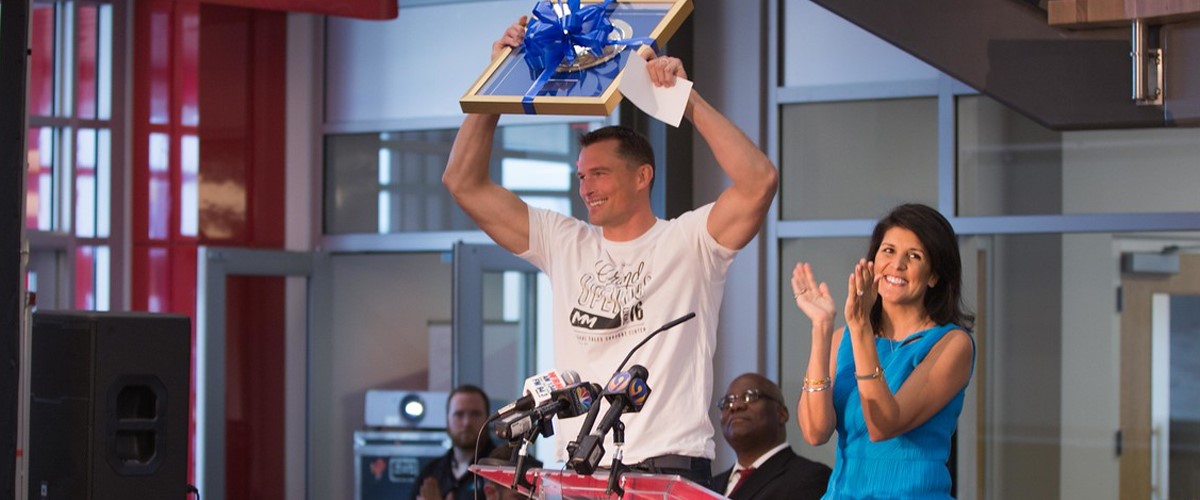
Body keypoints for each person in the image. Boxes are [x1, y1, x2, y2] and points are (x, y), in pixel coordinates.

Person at [442, 17, 778, 486]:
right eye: (581, 176)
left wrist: (685, 100)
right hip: (580, 470)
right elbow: (462, 182)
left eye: (599, 174)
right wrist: (499, 78)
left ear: (643, 176)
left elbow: (759, 181)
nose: (586, 188)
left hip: (667, 466)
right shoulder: (564, 241)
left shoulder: (689, 240)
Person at [791, 203, 976, 499]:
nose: (897, 265)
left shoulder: (951, 344)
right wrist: (822, 328)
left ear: (933, 276)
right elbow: (815, 432)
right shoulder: (844, 338)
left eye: (914, 256)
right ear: (873, 261)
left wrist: (861, 328)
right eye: (888, 251)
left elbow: (883, 425)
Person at [712, 373, 831, 500]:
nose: (735, 406)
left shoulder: (811, 477)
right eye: (727, 402)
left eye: (750, 396)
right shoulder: (711, 485)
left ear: (781, 414)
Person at [413, 385, 496, 500]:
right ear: (447, 420)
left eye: (475, 414)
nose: (467, 423)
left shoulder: (504, 468)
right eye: (459, 414)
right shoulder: (430, 473)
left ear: (487, 418)